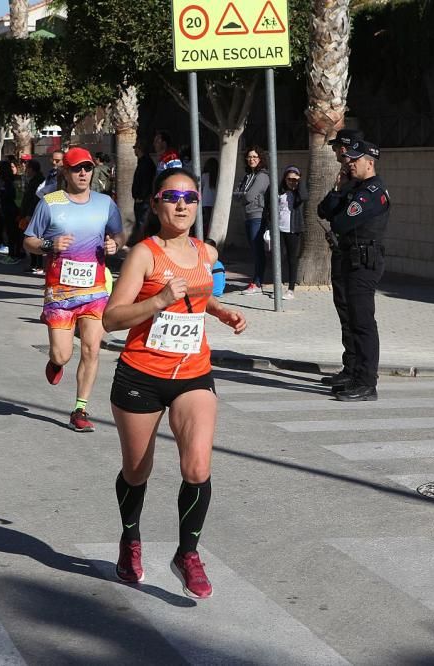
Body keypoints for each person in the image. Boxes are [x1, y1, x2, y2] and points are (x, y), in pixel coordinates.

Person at [102, 167, 247, 599]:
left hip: (193, 374)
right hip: (141, 375)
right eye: (171, 196)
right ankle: (130, 541)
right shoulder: (144, 254)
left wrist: (220, 311)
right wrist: (160, 299)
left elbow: (199, 293)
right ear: (156, 204)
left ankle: (188, 554)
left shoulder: (206, 251)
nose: (182, 204)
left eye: (188, 196)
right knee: (137, 470)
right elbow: (111, 319)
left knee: (198, 467)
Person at [23, 146, 125, 432]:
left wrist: (115, 243)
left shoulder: (105, 203)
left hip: (95, 291)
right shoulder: (50, 202)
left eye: (87, 168)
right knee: (62, 355)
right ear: (65, 172)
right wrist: (49, 245)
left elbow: (119, 233)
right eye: (77, 168)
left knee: (92, 349)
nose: (83, 173)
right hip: (60, 293)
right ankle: (56, 363)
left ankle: (80, 409)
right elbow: (29, 240)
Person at [317, 137, 390, 402]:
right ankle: (354, 373)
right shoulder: (353, 188)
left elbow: (341, 221)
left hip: (364, 261)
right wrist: (338, 189)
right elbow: (323, 210)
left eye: (355, 160)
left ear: (369, 163)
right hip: (350, 258)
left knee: (363, 323)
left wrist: (340, 206)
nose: (350, 164)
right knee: (352, 318)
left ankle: (367, 382)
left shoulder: (373, 192)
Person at [317, 128, 364, 391]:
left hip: (353, 256)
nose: (336, 152)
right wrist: (337, 188)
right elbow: (323, 209)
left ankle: (357, 368)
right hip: (340, 254)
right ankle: (350, 366)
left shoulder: (361, 182)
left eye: (338, 148)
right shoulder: (344, 180)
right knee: (344, 311)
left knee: (353, 314)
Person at [262, 165, 308, 300]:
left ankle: (291, 289)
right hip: (278, 229)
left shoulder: (299, 192)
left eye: (295, 180)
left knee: (292, 259)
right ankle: (278, 285)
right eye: (289, 179)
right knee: (278, 257)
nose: (292, 182)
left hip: (294, 230)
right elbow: (268, 207)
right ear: (285, 179)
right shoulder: (277, 190)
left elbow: (305, 197)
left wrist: (300, 183)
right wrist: (269, 226)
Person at [234, 146, 270, 295]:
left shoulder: (262, 176)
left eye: (255, 157)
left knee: (257, 251)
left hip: (258, 216)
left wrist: (244, 195)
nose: (252, 159)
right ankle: (256, 281)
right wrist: (244, 194)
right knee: (254, 251)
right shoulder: (247, 176)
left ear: (260, 158)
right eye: (249, 157)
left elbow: (249, 197)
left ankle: (257, 282)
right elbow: (236, 194)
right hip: (248, 216)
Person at [20, 159, 45, 275]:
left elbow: (34, 200)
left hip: (34, 212)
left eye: (27, 168)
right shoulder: (33, 180)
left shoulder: (38, 181)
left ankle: (39, 265)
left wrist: (30, 213)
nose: (26, 170)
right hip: (29, 211)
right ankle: (34, 263)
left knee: (36, 238)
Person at [0, 159, 21, 264]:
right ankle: (14, 253)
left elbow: (9, 195)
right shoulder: (6, 180)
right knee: (11, 232)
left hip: (11, 209)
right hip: (9, 208)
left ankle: (13, 255)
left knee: (12, 233)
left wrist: (0, 192)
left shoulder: (7, 181)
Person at [131, 142, 157, 240]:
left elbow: (146, 181)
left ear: (140, 149)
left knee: (143, 223)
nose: (134, 150)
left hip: (144, 200)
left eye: (135, 148)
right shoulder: (142, 162)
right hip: (141, 200)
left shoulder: (146, 163)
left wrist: (141, 197)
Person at [200, 158, 218, 239]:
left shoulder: (204, 175)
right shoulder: (218, 175)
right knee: (214, 221)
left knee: (208, 221)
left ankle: (207, 237)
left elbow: (200, 187)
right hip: (215, 202)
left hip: (206, 202)